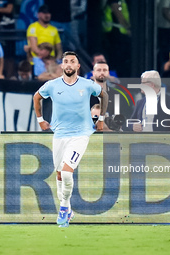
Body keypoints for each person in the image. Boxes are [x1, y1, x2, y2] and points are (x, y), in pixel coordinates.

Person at [33, 51, 108, 227]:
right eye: (65, 61)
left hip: (81, 134)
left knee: (67, 172)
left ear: (77, 66)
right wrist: (40, 120)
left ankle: (64, 208)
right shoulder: (52, 85)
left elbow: (104, 95)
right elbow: (37, 97)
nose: (68, 64)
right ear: (62, 66)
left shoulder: (87, 84)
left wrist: (101, 120)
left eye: (72, 61)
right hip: (59, 134)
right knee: (59, 174)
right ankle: (67, 209)